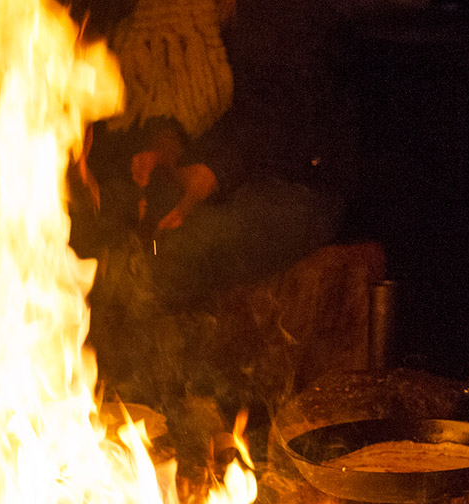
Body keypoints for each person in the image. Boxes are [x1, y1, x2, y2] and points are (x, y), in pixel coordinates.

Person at [76, 0, 345, 311]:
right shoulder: (158, 11)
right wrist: (163, 151)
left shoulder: (283, 14)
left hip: (296, 179)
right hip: (204, 165)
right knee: (86, 227)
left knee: (171, 254)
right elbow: (171, 96)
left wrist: (213, 168)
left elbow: (288, 105)